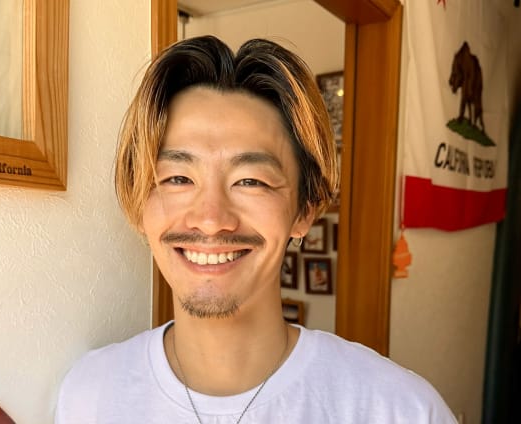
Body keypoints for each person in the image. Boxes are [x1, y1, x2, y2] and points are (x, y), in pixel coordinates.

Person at [55, 36, 456, 423]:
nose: (211, 219)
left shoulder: (400, 410)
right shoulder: (90, 394)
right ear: (140, 203)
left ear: (305, 210)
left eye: (250, 181)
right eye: (177, 178)